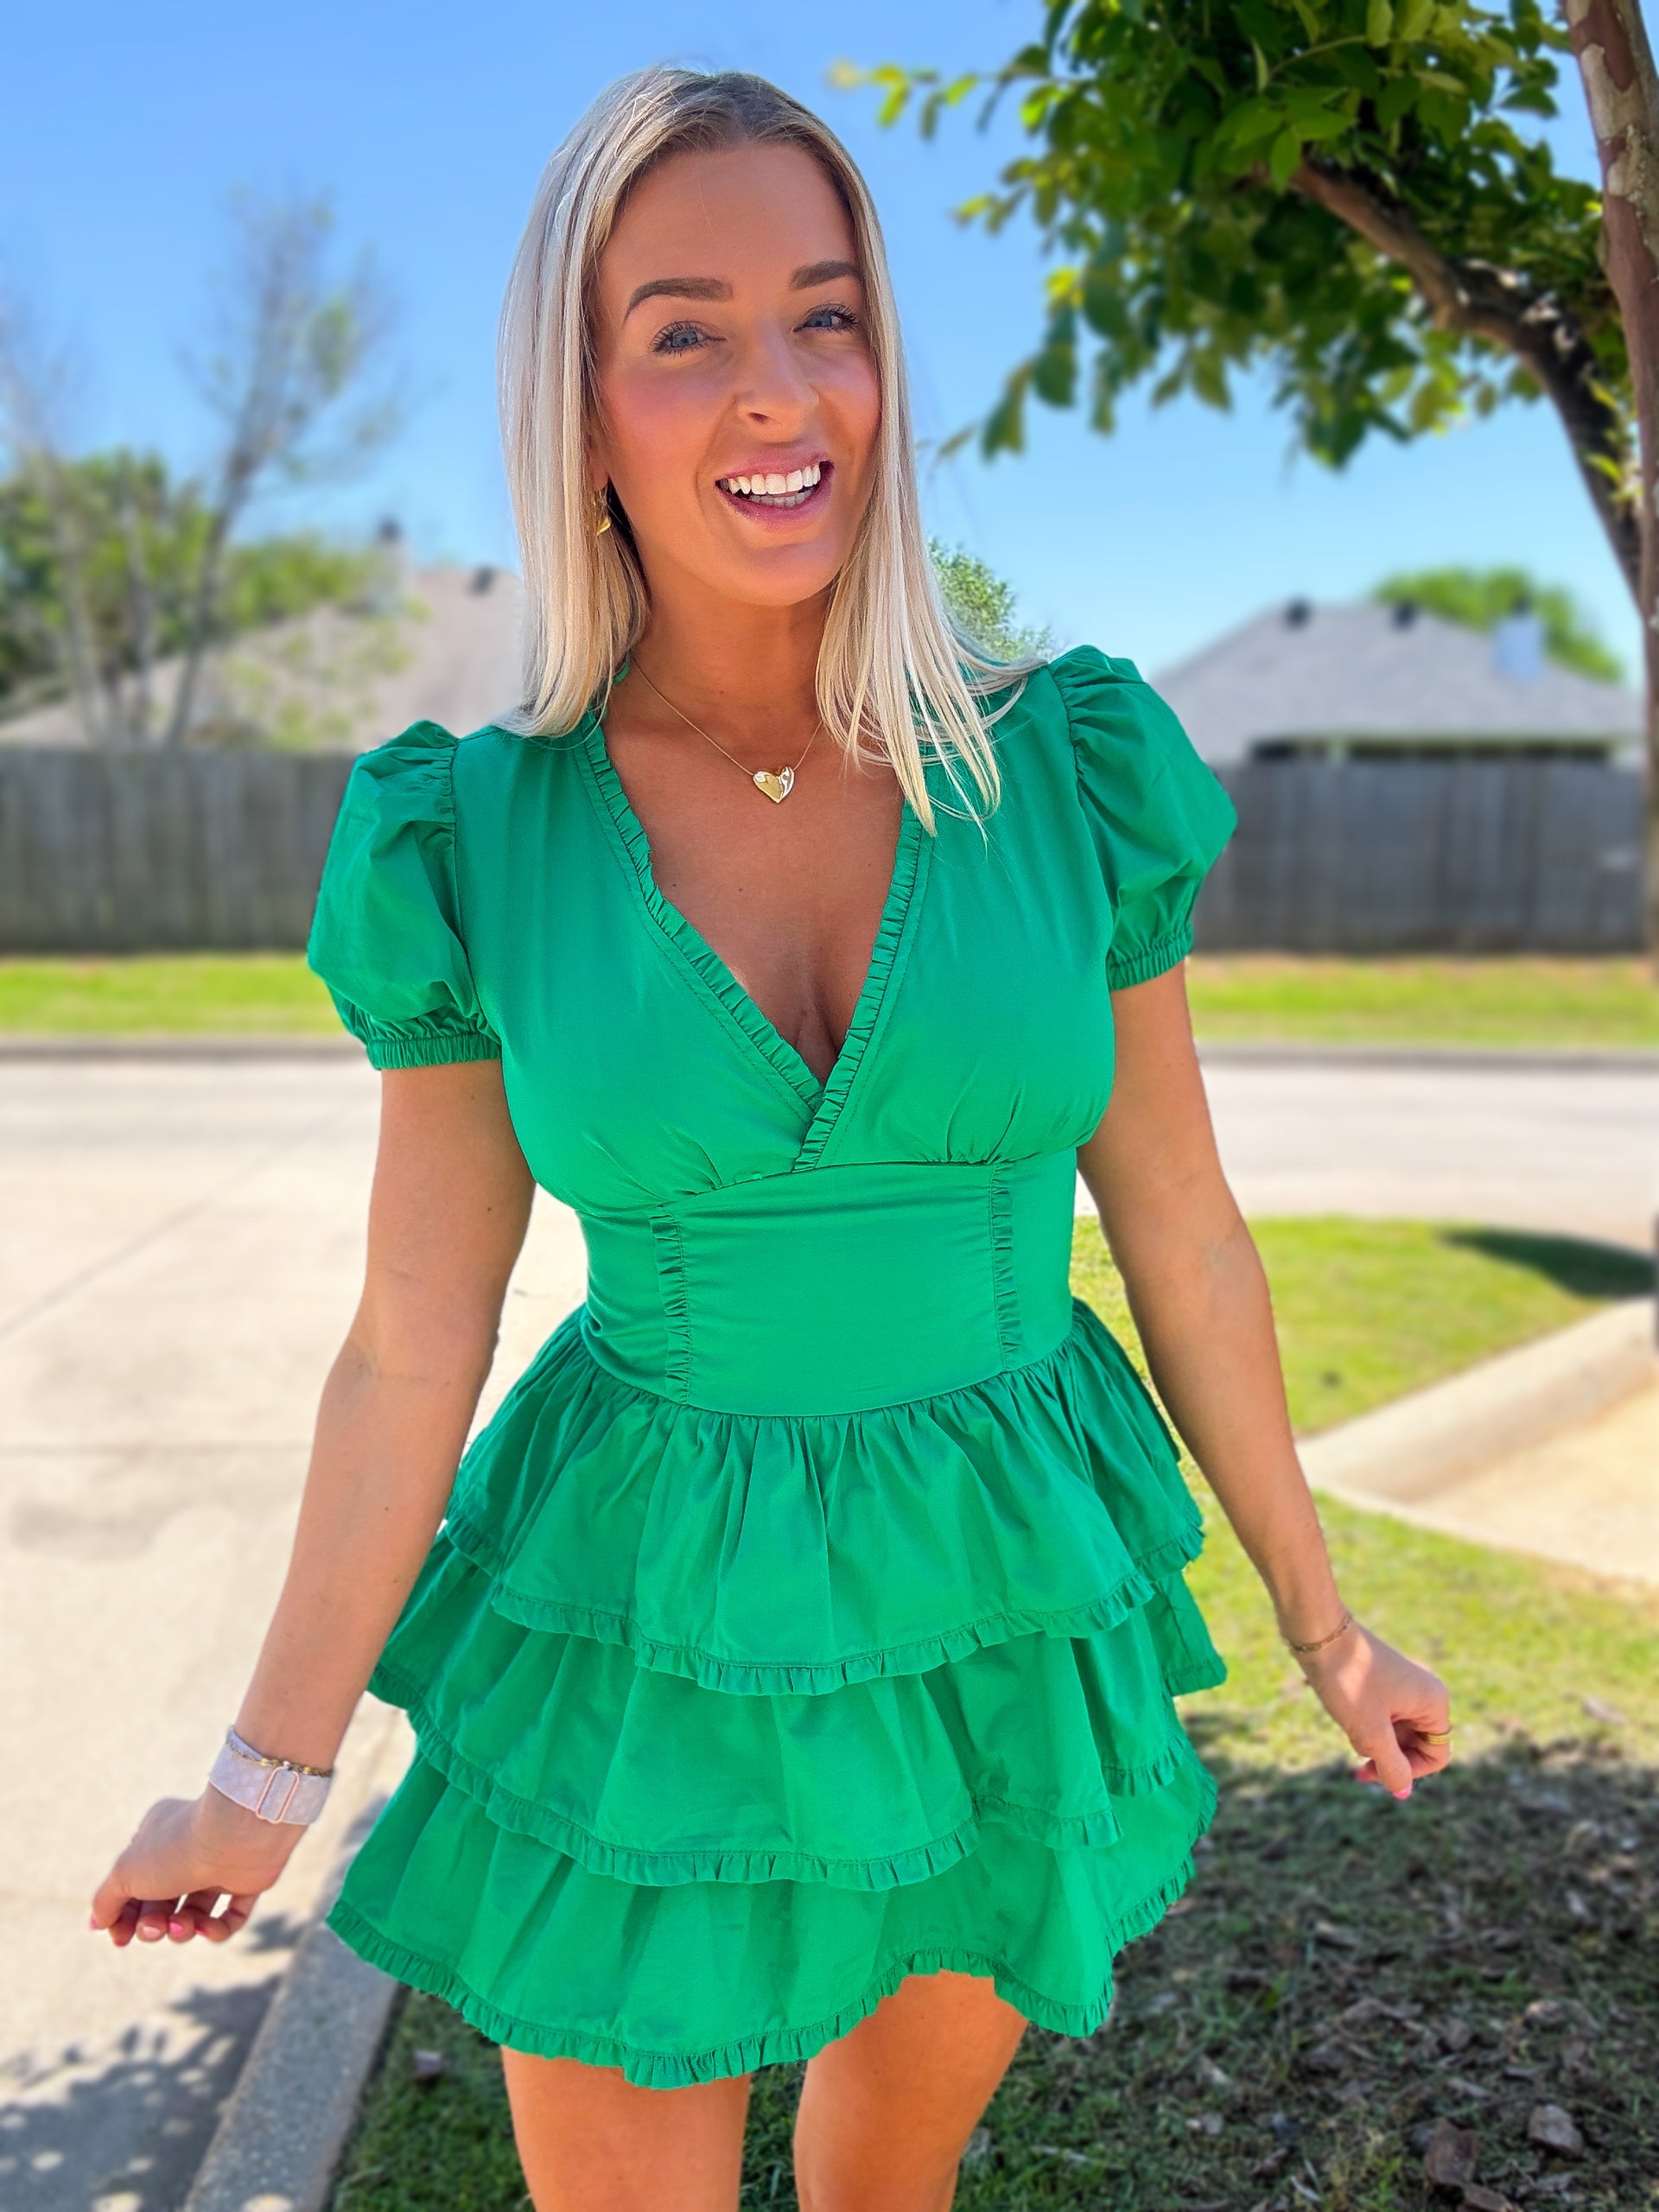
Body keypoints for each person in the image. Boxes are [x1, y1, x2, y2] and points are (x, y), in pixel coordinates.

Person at [90, 66, 1452, 2212]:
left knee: (883, 2185)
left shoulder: (1066, 767)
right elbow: (410, 1336)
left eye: (828, 315)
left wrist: (1327, 1622)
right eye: (685, 331)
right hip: (648, 1615)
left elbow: (1184, 1229)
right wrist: (262, 1777)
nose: (778, 389)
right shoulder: (473, 831)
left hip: (994, 1592)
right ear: (581, 406)